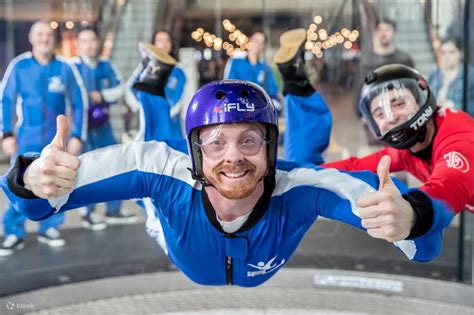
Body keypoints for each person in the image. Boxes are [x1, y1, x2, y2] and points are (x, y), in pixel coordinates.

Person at [1, 50, 454, 286]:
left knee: (307, 167)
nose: (232, 156)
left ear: (268, 146)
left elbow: (418, 240)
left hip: (283, 180)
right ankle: (287, 81)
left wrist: (413, 217)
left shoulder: (300, 184)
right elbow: (39, 202)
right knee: (148, 160)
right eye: (214, 142)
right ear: (196, 152)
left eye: (250, 140)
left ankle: (284, 84)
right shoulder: (166, 167)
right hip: (169, 193)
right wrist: (32, 176)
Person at [324, 64, 474, 214]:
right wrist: (308, 172)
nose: (392, 117)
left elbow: (447, 187)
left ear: (420, 99)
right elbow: (355, 166)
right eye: (380, 114)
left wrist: (411, 212)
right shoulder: (404, 151)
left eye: (399, 104)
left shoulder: (457, 135)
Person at [0, 20, 87, 256]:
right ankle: (13, 232)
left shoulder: (66, 69)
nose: (44, 39)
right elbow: (5, 100)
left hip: (55, 140)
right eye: (39, 34)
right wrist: (6, 133)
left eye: (48, 35)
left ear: (54, 39)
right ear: (31, 38)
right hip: (25, 138)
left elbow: (79, 102)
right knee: (19, 184)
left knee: (54, 184)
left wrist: (78, 134)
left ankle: (49, 228)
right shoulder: (19, 66)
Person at [72, 26, 136, 230]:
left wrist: (102, 95)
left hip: (104, 126)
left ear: (98, 43)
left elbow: (120, 88)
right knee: (84, 170)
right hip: (81, 129)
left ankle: (113, 210)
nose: (89, 45)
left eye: (92, 40)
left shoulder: (107, 65)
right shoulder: (71, 67)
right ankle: (87, 213)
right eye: (84, 41)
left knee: (114, 165)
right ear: (78, 44)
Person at [273, 28, 332, 164]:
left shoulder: (299, 96)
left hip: (298, 96)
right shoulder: (297, 99)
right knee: (301, 158)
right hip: (297, 100)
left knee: (300, 156)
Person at [125, 29, 185, 142]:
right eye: (159, 40)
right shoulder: (146, 66)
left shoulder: (179, 70)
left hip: (171, 125)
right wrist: (141, 107)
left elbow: (180, 98)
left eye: (167, 40)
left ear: (172, 44)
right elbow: (130, 88)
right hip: (148, 124)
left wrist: (165, 112)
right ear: (154, 44)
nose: (164, 44)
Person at [356, 19, 414, 119]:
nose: (384, 33)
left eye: (387, 30)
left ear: (394, 33)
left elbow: (412, 86)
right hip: (375, 114)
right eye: (380, 29)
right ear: (375, 33)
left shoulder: (404, 59)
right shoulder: (367, 60)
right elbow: (360, 87)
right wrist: (361, 113)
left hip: (401, 112)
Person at [223, 31, 281, 109]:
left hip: (259, 106)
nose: (258, 45)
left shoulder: (265, 67)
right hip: (238, 104)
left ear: (263, 46)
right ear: (250, 41)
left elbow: (273, 90)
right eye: (256, 41)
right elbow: (228, 84)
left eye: (261, 42)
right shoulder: (236, 62)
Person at [428, 37, 474, 116]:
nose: (447, 56)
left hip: (459, 121)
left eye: (451, 52)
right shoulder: (434, 75)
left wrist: (453, 105)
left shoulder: (470, 75)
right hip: (438, 121)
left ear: (461, 53)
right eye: (443, 52)